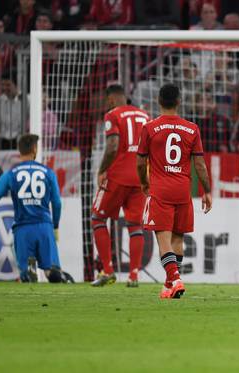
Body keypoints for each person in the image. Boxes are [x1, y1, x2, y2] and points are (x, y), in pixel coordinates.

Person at [136, 83, 212, 299]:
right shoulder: (192, 129)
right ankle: (170, 286)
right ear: (179, 101)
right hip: (182, 191)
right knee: (178, 241)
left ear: (159, 101)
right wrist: (206, 190)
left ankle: (175, 279)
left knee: (164, 242)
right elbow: (200, 165)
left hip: (161, 191)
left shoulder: (149, 128)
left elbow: (140, 163)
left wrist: (143, 182)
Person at [0, 134, 67, 283]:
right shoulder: (48, 173)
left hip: (23, 229)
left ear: (19, 151)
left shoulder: (10, 174)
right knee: (52, 272)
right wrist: (55, 226)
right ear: (35, 149)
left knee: (25, 276)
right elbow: (57, 203)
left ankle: (28, 273)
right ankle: (52, 274)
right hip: (44, 227)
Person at [90, 85, 150, 287]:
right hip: (140, 178)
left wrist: (101, 170)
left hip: (117, 176)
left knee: (98, 217)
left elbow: (113, 146)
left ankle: (107, 271)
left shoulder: (113, 114)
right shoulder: (145, 115)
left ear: (111, 100)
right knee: (135, 225)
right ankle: (134, 275)